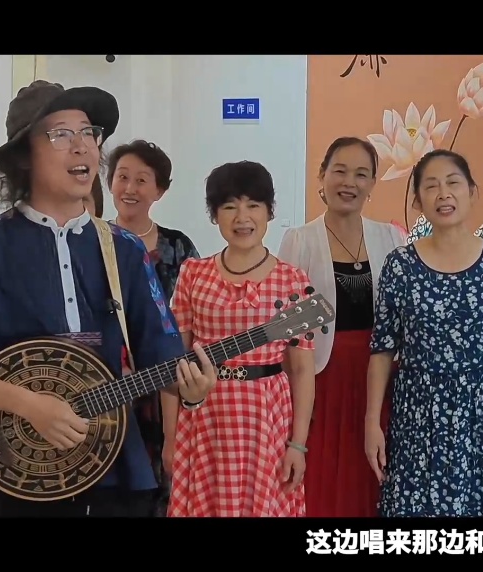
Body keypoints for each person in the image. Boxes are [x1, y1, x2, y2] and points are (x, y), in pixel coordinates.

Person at [0, 80, 216, 517]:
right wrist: (27, 404)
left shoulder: (124, 250)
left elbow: (163, 360)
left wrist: (193, 389)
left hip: (116, 469)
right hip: (20, 473)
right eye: (61, 134)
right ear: (24, 156)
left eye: (89, 132)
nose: (82, 146)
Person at [365, 149, 483, 517]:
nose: (443, 194)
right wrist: (372, 423)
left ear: (472, 192)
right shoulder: (400, 265)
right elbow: (382, 350)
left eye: (453, 183)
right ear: (418, 201)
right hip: (417, 416)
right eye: (431, 186)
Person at [165, 160, 316, 517]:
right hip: (204, 417)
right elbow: (174, 366)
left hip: (268, 420)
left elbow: (302, 370)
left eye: (253, 205)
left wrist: (298, 444)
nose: (242, 217)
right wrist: (171, 438)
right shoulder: (193, 273)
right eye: (229, 206)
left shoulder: (293, 280)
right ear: (215, 215)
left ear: (269, 211)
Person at [278, 137, 405, 517]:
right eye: (340, 171)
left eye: (361, 174)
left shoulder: (392, 238)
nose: (350, 182)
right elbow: (285, 330)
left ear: (372, 183)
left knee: (375, 476)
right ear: (322, 176)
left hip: (380, 375)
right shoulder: (299, 240)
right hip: (321, 377)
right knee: (324, 478)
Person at [106, 139, 200, 517]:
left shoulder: (178, 248)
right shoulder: (93, 242)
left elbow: (191, 325)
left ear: (159, 190)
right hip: (107, 388)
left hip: (165, 393)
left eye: (142, 180)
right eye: (122, 177)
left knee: (162, 491)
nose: (130, 188)